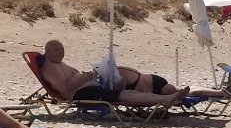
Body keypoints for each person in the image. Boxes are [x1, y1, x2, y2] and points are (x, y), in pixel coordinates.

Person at [37, 40, 189, 108]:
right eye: (56, 50)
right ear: (47, 51)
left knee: (126, 92)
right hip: (81, 94)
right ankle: (166, 99)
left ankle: (165, 98)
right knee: (124, 96)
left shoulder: (60, 65)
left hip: (88, 87)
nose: (60, 52)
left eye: (62, 49)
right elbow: (64, 89)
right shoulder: (50, 68)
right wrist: (86, 76)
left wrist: (91, 75)